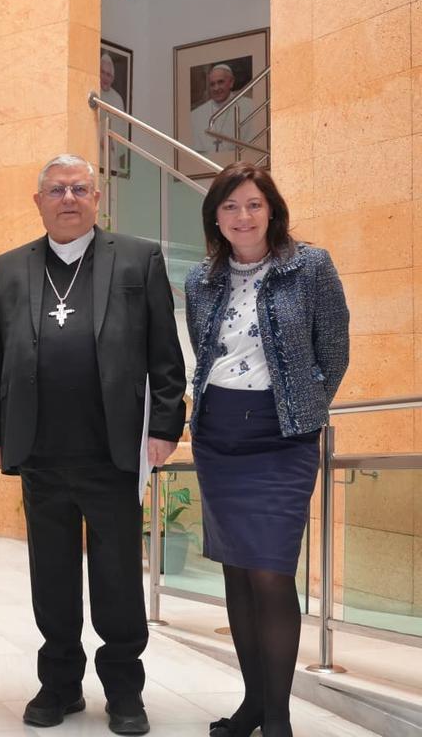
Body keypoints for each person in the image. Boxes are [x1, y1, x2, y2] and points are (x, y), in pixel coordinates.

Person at [0, 154, 186, 735]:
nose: (68, 199)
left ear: (96, 198)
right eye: (56, 190)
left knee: (117, 577)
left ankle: (124, 691)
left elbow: (165, 352)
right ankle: (60, 685)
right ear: (38, 201)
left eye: (79, 189)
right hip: (40, 452)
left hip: (113, 452)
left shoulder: (138, 258)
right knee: (52, 578)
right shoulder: (10, 267)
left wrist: (166, 426)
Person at [184, 163, 349, 737]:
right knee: (237, 572)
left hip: (283, 438)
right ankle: (253, 704)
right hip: (218, 435)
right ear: (215, 218)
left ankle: (277, 719)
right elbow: (205, 353)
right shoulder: (200, 280)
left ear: (272, 210)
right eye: (230, 206)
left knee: (272, 574)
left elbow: (334, 350)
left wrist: (305, 406)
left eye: (254, 204)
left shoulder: (310, 267)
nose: (243, 216)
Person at [190, 64, 257, 154]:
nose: (216, 88)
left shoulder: (249, 106)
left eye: (220, 82)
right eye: (212, 84)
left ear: (231, 82)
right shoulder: (196, 115)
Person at [97, 53, 126, 172]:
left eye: (108, 75)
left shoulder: (117, 99)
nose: (105, 77)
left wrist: (111, 142)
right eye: (102, 72)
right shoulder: (93, 92)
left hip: (111, 161)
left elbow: (122, 131)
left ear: (112, 79)